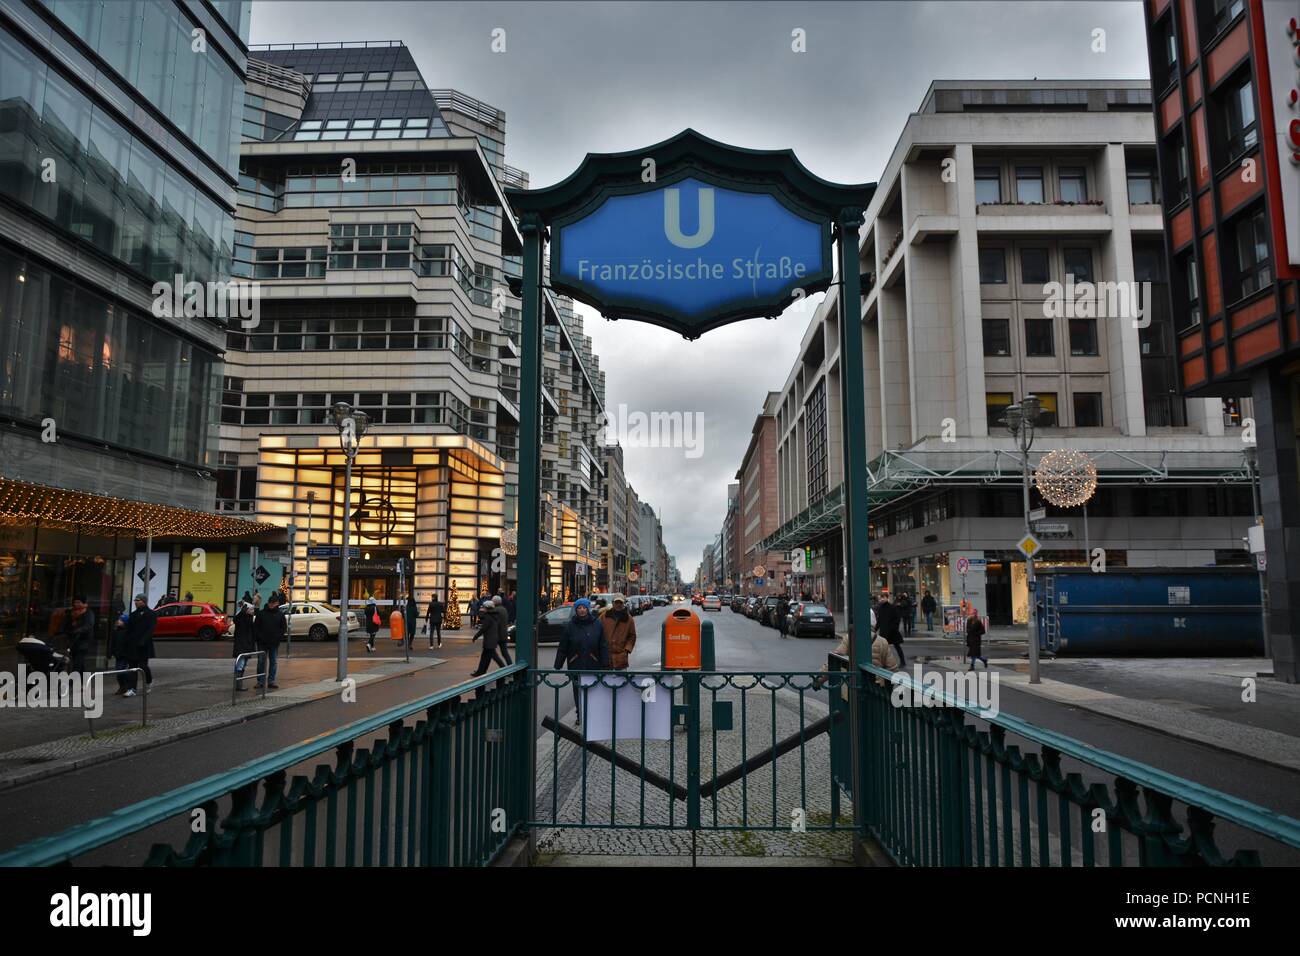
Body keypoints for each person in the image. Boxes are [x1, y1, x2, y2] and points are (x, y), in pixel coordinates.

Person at [554, 598, 608, 726]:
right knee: (578, 691)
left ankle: (592, 714)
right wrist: (558, 664)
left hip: (593, 663)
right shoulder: (570, 626)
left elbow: (603, 645)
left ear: (588, 609)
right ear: (576, 610)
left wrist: (605, 662)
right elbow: (563, 646)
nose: (582, 610)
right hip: (576, 663)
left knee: (593, 691)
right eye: (579, 608)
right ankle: (580, 714)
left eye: (584, 608)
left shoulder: (597, 624)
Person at [120, 593, 157, 696]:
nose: (136, 602)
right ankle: (132, 688)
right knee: (132, 667)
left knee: (143, 666)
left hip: (144, 645)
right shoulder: (133, 614)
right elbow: (129, 630)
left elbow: (150, 629)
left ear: (143, 602)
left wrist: (143, 641)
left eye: (138, 600)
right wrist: (125, 641)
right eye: (135, 600)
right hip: (132, 645)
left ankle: (149, 680)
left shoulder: (151, 614)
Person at [469, 594, 510, 676]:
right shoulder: (497, 613)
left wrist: (475, 636)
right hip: (495, 637)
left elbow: (483, 628)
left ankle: (505, 670)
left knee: (493, 656)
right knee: (488, 656)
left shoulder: (489, 616)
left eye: (483, 607)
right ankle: (481, 671)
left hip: (490, 640)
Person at [254, 593, 286, 689]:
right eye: (270, 603)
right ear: (268, 603)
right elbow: (256, 627)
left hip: (274, 643)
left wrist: (278, 637)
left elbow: (283, 628)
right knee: (261, 662)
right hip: (262, 643)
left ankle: (271, 681)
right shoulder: (261, 613)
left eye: (274, 603)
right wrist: (259, 638)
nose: (272, 605)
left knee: (273, 662)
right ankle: (260, 681)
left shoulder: (280, 615)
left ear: (277, 603)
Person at [62, 595, 96, 676]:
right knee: (78, 662)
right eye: (75, 602)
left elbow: (89, 625)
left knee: (78, 662)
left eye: (78, 602)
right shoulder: (71, 612)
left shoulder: (88, 613)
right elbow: (65, 623)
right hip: (73, 640)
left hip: (84, 640)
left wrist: (78, 630)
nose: (76, 604)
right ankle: (84, 681)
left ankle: (72, 680)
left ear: (84, 603)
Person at [601, 595, 637, 670]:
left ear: (623, 604)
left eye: (620, 602)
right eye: (616, 602)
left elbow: (632, 636)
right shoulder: (604, 616)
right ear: (613, 603)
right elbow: (598, 632)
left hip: (621, 658)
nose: (618, 605)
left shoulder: (629, 619)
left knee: (622, 680)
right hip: (606, 657)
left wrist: (626, 649)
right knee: (606, 680)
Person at [232, 597, 256, 687]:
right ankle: (238, 683)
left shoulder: (249, 618)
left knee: (243, 663)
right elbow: (236, 620)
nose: (253, 611)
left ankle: (239, 682)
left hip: (246, 644)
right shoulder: (241, 619)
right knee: (241, 663)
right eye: (251, 609)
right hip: (242, 645)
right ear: (246, 610)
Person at [875, 593, 904, 668]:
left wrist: (893, 628)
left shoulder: (892, 607)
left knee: (897, 646)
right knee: (883, 648)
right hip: (884, 631)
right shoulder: (880, 608)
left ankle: (903, 661)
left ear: (887, 598)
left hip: (892, 632)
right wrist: (875, 629)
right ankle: (883, 663)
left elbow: (897, 619)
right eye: (881, 598)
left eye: (883, 597)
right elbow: (879, 620)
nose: (882, 599)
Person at [966, 606, 988, 671]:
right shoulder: (969, 620)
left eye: (975, 613)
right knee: (976, 654)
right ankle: (984, 660)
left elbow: (983, 631)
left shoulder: (978, 621)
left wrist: (977, 633)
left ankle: (972, 666)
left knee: (974, 653)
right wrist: (969, 631)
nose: (974, 614)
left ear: (976, 614)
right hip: (971, 639)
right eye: (973, 613)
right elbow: (967, 628)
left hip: (976, 640)